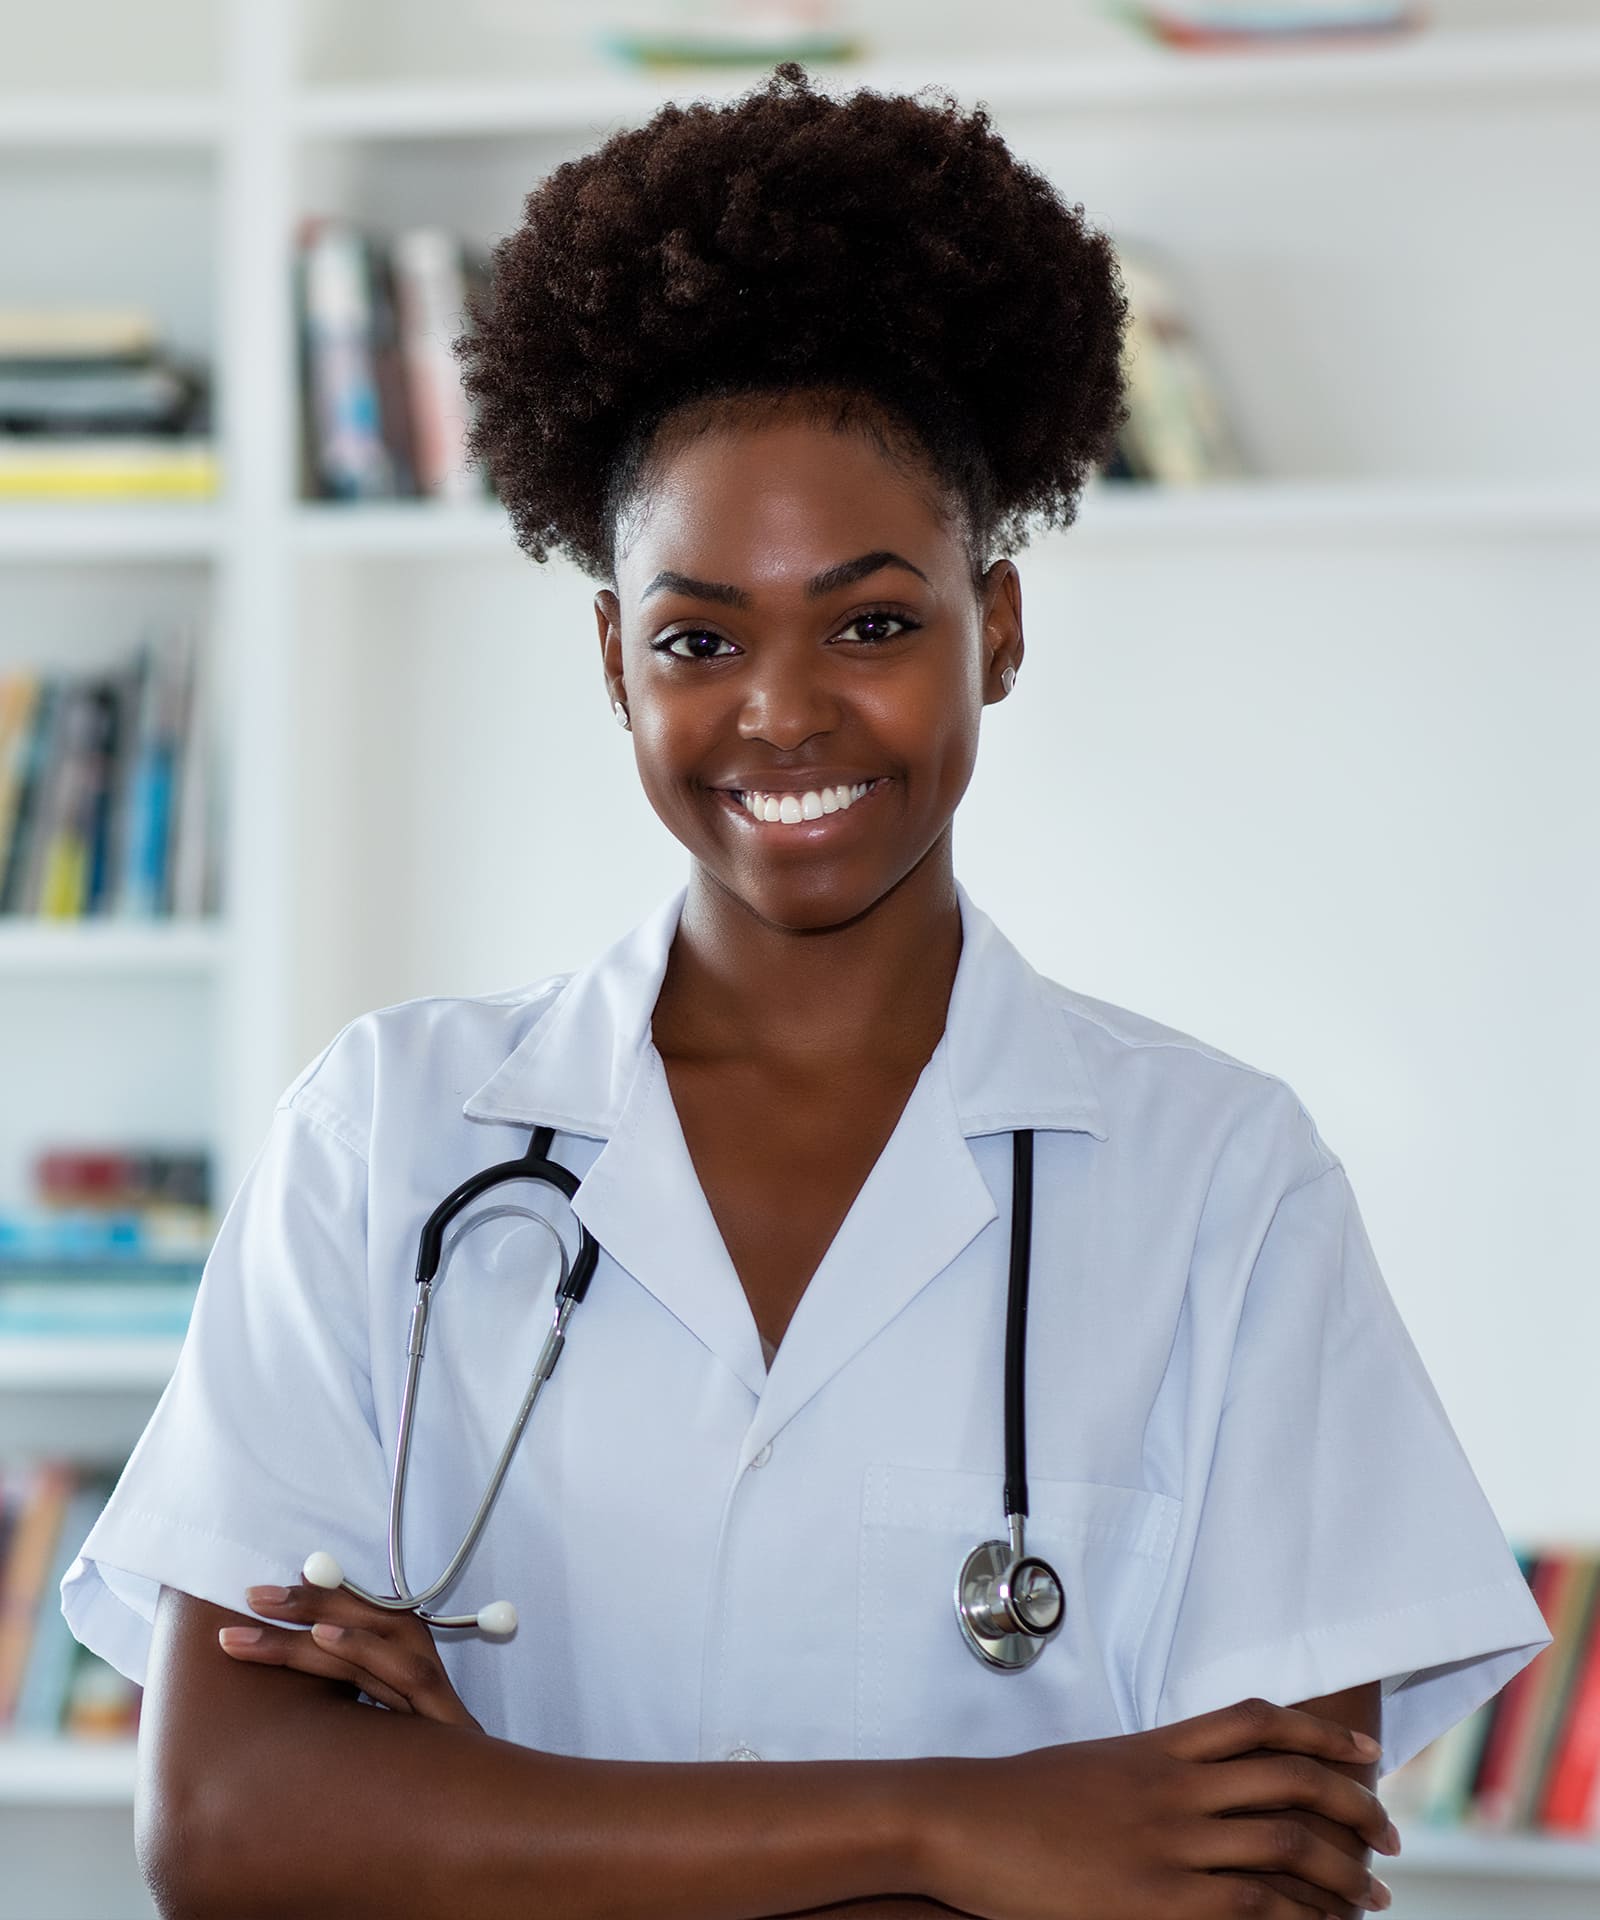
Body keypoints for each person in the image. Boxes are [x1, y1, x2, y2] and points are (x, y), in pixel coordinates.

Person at [61, 62, 1548, 1920]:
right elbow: (233, 1837)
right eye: (699, 637)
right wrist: (956, 1825)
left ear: (993, 627)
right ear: (615, 658)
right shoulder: (389, 1139)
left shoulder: (1220, 1184)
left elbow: (1251, 1879)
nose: (783, 713)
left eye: (870, 622)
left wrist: (480, 1819)